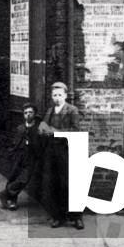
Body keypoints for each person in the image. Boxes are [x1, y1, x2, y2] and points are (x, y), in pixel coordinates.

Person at [39, 81, 84, 230]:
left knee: (70, 183)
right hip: (52, 151)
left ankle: (76, 217)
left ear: (65, 95)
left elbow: (76, 131)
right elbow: (44, 125)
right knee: (55, 183)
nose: (57, 98)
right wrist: (42, 129)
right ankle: (58, 216)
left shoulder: (72, 110)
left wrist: (57, 132)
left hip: (67, 151)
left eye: (59, 95)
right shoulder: (50, 111)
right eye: (54, 95)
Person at [0, 103, 41, 210]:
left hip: (31, 156)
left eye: (30, 112)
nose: (28, 115)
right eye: (26, 113)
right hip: (18, 155)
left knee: (24, 179)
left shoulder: (38, 128)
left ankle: (4, 193)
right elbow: (14, 143)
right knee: (14, 176)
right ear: (23, 115)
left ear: (34, 114)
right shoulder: (20, 128)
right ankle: (12, 201)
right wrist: (10, 154)